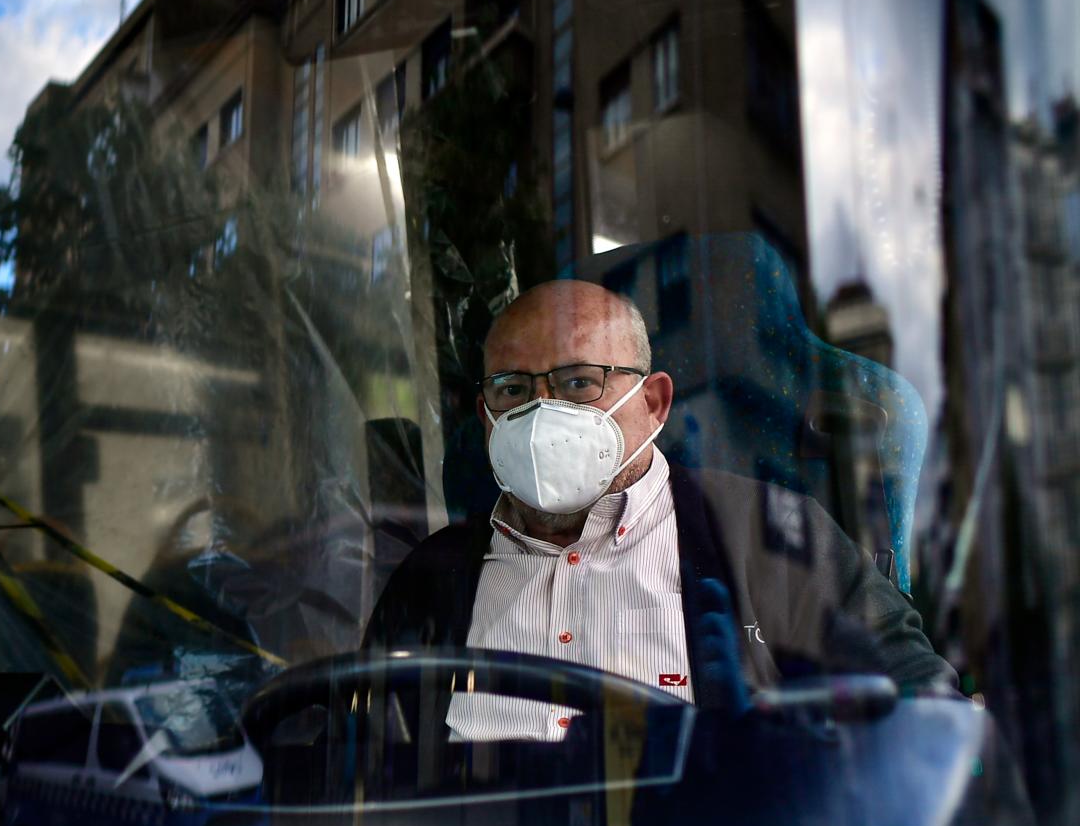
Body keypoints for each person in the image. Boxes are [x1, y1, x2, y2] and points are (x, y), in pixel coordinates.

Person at [363, 280, 955, 739]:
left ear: (653, 402)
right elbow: (359, 755)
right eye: (513, 389)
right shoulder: (430, 579)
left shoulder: (774, 540)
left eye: (577, 383)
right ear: (485, 413)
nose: (540, 414)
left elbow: (923, 715)